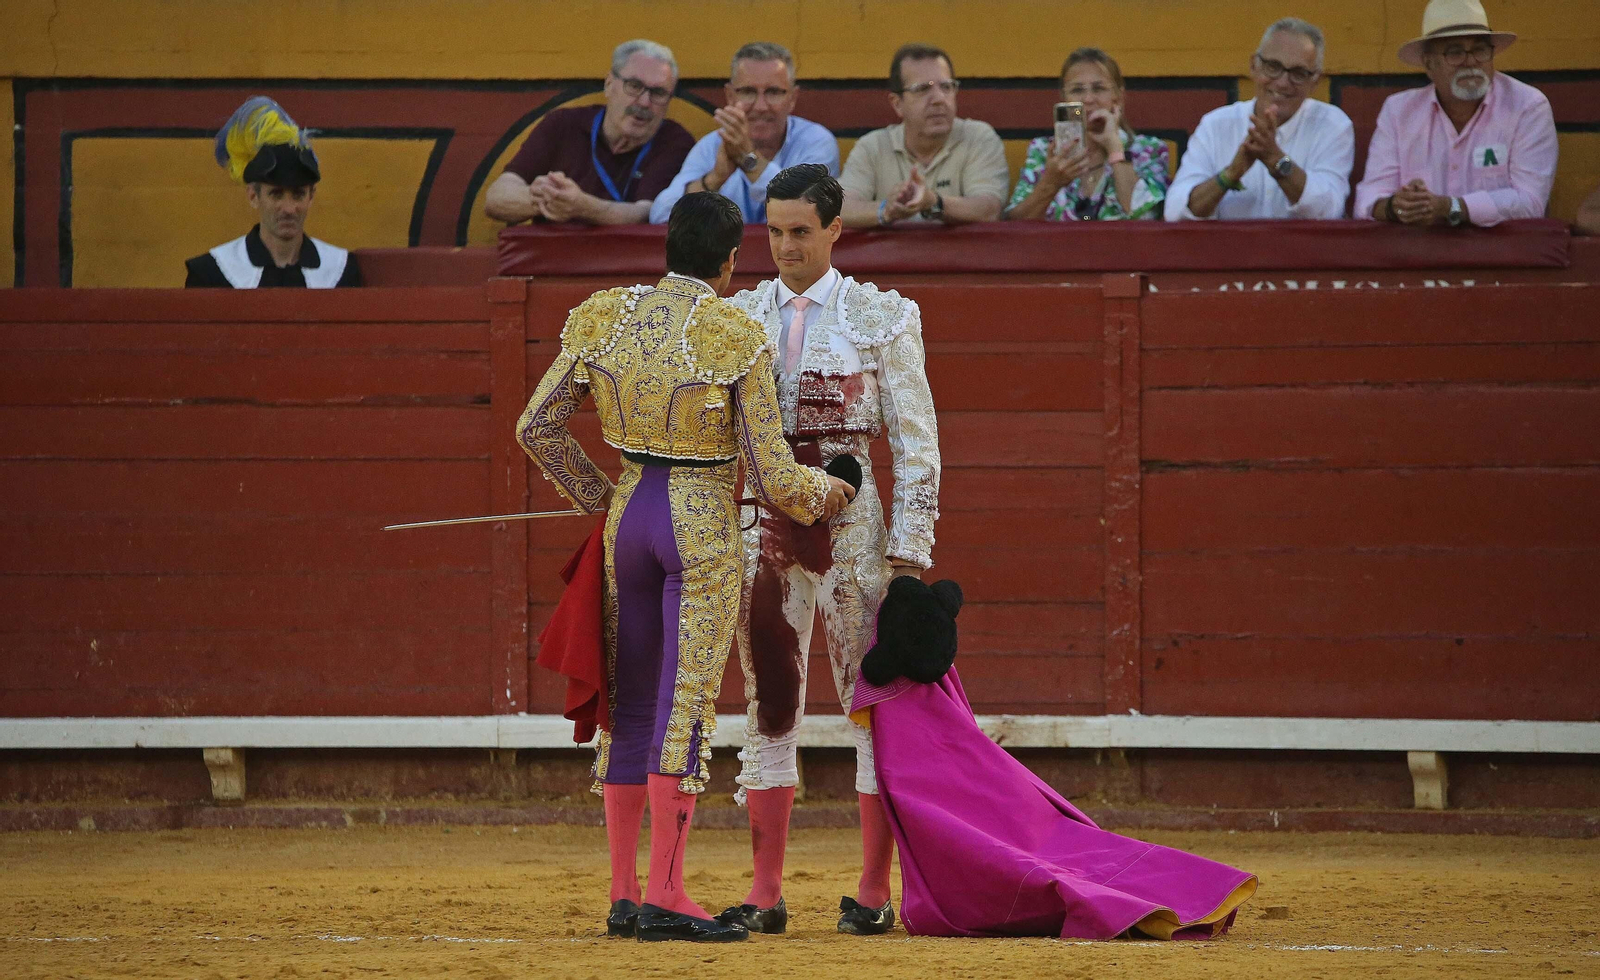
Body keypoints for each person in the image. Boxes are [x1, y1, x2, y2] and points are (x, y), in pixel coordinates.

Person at [516, 192, 855, 943]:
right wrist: (828, 492)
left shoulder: (606, 315)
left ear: (670, 247)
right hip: (698, 523)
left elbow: (535, 424)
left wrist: (598, 497)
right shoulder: (734, 331)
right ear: (731, 261)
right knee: (684, 703)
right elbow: (773, 474)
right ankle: (667, 891)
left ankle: (623, 893)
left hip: (628, 517)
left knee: (630, 700)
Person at [718, 164, 940, 937]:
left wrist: (911, 556)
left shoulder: (882, 315)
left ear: (835, 230)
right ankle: (765, 889)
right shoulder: (738, 317)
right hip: (766, 523)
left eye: (800, 232)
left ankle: (873, 890)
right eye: (773, 232)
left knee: (868, 710)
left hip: (858, 534)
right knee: (769, 702)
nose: (784, 247)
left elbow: (916, 443)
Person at [850, 576, 1258, 939]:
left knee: (1004, 840)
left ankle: (872, 889)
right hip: (876, 590)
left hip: (884, 589)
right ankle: (869, 889)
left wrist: (906, 572)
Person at [1353, 0, 1557, 229]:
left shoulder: (1527, 106)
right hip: (1419, 256)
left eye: (1480, 50)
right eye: (1455, 52)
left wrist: (1451, 207)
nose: (1470, 62)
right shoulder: (1399, 111)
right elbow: (1368, 200)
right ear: (1429, 65)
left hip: (1501, 258)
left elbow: (1531, 202)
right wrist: (1397, 206)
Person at [484, 40, 695, 226]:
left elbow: (647, 214)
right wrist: (542, 199)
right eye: (634, 86)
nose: (644, 102)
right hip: (552, 262)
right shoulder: (562, 125)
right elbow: (496, 198)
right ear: (609, 84)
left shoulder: (675, 142)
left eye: (658, 93)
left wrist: (580, 206)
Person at [1165, 18, 1353, 221]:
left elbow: (1329, 211)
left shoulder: (1332, 125)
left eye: (1298, 73)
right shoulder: (1216, 125)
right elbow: (1175, 213)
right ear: (1254, 66)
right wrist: (1229, 175)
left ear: (1314, 81)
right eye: (1273, 66)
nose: (1282, 83)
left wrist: (1276, 160)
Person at [649, 42, 840, 224]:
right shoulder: (712, 145)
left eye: (773, 92)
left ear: (792, 98)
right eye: (748, 92)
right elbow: (661, 214)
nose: (761, 106)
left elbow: (808, 213)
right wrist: (714, 179)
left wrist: (749, 160)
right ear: (730, 96)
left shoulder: (816, 142)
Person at [184, 96, 361, 288]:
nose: (289, 209)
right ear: (253, 196)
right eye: (276, 194)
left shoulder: (341, 272)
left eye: (298, 194)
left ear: (311, 197)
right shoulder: (211, 274)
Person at [838, 44, 1009, 228]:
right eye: (922, 89)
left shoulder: (978, 137)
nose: (939, 99)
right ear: (897, 104)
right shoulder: (873, 146)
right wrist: (885, 210)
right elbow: (839, 209)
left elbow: (990, 209)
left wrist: (933, 203)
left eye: (946, 87)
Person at [1005, 47, 1170, 222]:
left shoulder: (1148, 150)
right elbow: (1016, 222)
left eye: (1099, 89)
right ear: (1064, 99)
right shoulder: (1044, 150)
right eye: (1077, 90)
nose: (1088, 99)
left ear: (1118, 97)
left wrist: (1115, 148)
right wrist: (1051, 183)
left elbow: (1145, 216)